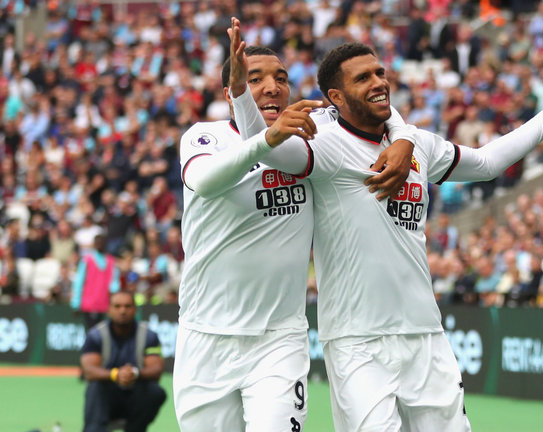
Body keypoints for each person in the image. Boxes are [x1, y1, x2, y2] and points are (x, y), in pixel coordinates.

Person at [232, 41, 543, 431]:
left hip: (427, 335)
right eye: (363, 78)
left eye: (379, 72)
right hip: (357, 342)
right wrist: (242, 91)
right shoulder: (325, 146)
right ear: (336, 98)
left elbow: (487, 163)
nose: (379, 82)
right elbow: (268, 151)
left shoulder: (419, 145)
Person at [172, 18, 414, 431]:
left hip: (279, 340)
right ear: (231, 88)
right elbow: (204, 181)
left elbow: (371, 110)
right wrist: (265, 141)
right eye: (255, 77)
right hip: (205, 336)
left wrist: (403, 136)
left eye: (281, 78)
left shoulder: (311, 141)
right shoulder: (205, 137)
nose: (272, 86)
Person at [80, 291, 166, 432]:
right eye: (117, 306)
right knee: (95, 387)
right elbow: (89, 371)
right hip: (105, 398)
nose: (122, 311)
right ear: (109, 310)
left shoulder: (149, 336)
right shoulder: (95, 335)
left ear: (135, 310)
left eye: (127, 306)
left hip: (135, 395)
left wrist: (135, 373)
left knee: (155, 391)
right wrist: (116, 374)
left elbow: (156, 369)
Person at [71, 234, 121, 330]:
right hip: (89, 305)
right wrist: (76, 303)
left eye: (102, 242)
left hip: (105, 305)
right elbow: (79, 282)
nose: (100, 245)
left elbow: (114, 283)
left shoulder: (111, 261)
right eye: (97, 242)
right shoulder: (87, 260)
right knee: (92, 333)